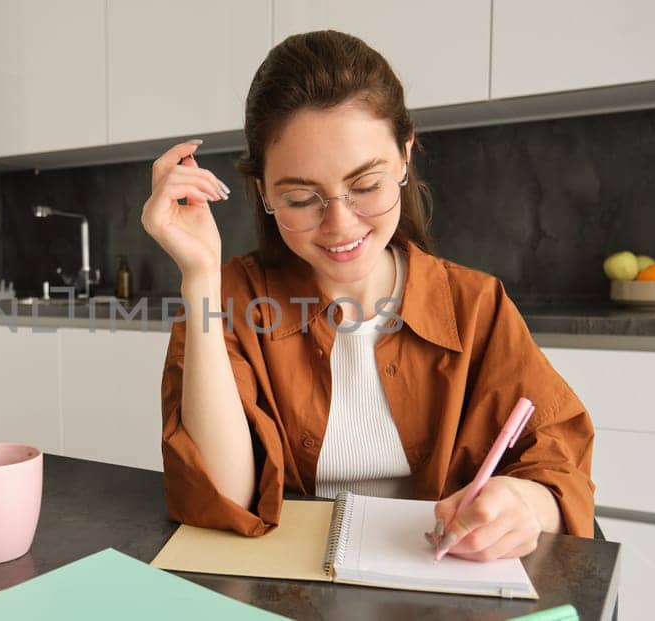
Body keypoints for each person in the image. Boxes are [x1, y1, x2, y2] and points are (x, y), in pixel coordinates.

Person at [140, 30, 595, 562]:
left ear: (404, 157)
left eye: (366, 186)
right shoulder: (230, 298)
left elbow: (558, 464)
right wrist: (199, 276)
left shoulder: (475, 304)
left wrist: (525, 503)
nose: (339, 224)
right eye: (301, 197)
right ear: (263, 191)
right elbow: (222, 496)